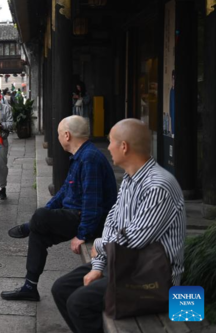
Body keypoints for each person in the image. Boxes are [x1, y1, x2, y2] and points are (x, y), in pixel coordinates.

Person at [52, 119, 186, 333]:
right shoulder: (130, 179)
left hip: (152, 277)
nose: (108, 147)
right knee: (61, 289)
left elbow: (134, 238)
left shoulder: (159, 186)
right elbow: (112, 222)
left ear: (124, 146)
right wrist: (97, 266)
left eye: (111, 142)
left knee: (79, 303)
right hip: (123, 263)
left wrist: (100, 244)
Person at [2, 116, 117, 302]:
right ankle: (29, 286)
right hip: (73, 215)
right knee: (38, 230)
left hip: (87, 220)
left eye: (58, 134)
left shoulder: (90, 159)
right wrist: (46, 214)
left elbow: (93, 204)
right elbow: (64, 191)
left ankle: (28, 226)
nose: (57, 138)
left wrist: (82, 234)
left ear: (67, 135)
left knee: (39, 218)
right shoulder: (79, 156)